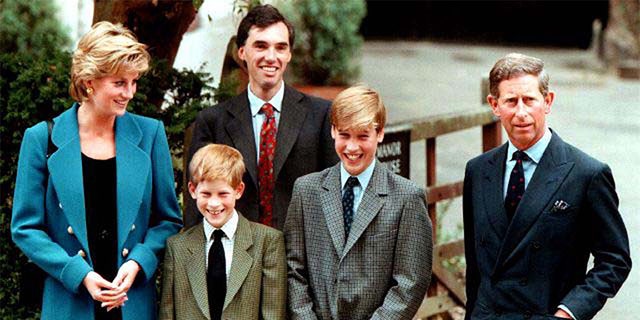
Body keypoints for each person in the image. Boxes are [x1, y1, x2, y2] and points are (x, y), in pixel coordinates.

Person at [11, 21, 182, 320]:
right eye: (119, 83)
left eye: (134, 81)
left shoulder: (151, 134)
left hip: (132, 303)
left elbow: (168, 219)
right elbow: (25, 227)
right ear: (89, 80)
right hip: (69, 303)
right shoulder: (41, 138)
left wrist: (139, 262)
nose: (129, 93)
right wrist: (77, 273)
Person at [463, 53, 632, 320]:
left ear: (548, 101)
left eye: (529, 100)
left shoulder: (587, 173)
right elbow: (475, 266)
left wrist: (568, 312)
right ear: (494, 105)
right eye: (510, 101)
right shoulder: (478, 170)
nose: (521, 113)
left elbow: (614, 260)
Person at [285, 85, 433, 319]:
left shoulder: (407, 197)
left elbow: (411, 281)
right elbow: (294, 269)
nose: (352, 147)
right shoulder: (306, 190)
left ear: (380, 133)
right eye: (344, 135)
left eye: (363, 136)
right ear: (333, 131)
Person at [187, 4, 338, 230]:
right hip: (235, 257)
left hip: (300, 256)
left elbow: (333, 196)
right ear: (242, 52)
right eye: (260, 46)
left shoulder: (321, 115)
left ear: (288, 54)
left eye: (280, 47)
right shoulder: (213, 121)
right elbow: (196, 206)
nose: (271, 57)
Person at [160, 144, 286, 320]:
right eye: (206, 194)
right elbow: (167, 313)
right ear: (192, 190)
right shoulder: (177, 247)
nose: (214, 203)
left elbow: (273, 313)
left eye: (222, 194)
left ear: (238, 190)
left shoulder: (267, 242)